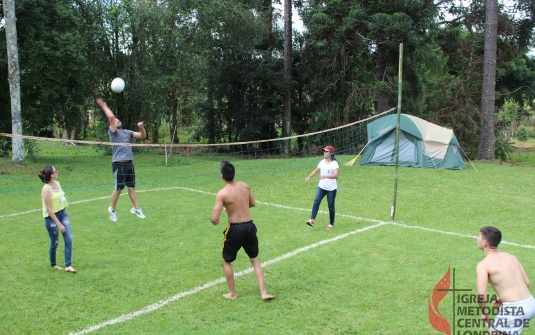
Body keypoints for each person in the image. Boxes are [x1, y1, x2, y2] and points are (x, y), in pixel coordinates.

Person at [210, 161, 275, 301]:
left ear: (222, 176)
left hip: (235, 229)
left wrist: (216, 218)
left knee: (226, 260)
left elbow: (214, 218)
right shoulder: (245, 185)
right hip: (250, 227)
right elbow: (252, 203)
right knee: (255, 260)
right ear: (234, 174)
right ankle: (263, 292)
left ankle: (233, 294)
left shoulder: (222, 193)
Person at [476, 226, 535, 334]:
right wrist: (502, 297)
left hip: (515, 309)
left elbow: (481, 295)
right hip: (531, 304)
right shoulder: (511, 257)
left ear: (484, 243)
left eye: (478, 237)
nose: (477, 239)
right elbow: (527, 283)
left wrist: (484, 312)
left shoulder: (484, 265)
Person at [96, 98, 147, 222]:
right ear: (111, 125)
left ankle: (136, 209)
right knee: (118, 189)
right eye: (114, 120)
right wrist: (104, 106)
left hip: (129, 163)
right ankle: (112, 210)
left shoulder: (127, 132)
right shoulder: (113, 133)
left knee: (131, 188)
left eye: (118, 119)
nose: (117, 120)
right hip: (118, 164)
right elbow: (112, 118)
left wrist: (141, 128)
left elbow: (142, 136)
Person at [39, 165, 76, 273]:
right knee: (54, 242)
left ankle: (68, 265)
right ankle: (53, 264)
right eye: (56, 171)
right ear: (51, 175)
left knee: (68, 239)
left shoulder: (58, 184)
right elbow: (49, 209)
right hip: (52, 218)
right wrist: (59, 224)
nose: (57, 172)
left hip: (63, 214)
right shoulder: (46, 189)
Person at [305, 145, 339, 229]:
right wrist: (309, 177)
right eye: (324, 151)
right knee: (316, 201)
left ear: (331, 153)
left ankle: (331, 223)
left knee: (330, 206)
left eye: (326, 151)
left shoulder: (334, 164)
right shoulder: (322, 162)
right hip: (321, 187)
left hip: (331, 189)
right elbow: (316, 170)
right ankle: (312, 220)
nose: (324, 152)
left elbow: (336, 175)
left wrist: (325, 176)